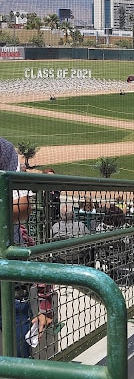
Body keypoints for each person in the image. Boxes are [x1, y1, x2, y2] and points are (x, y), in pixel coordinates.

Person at [0, 137, 54, 357]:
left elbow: (21, 208)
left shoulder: (3, 149)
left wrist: (45, 303)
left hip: (9, 272)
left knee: (21, 358)